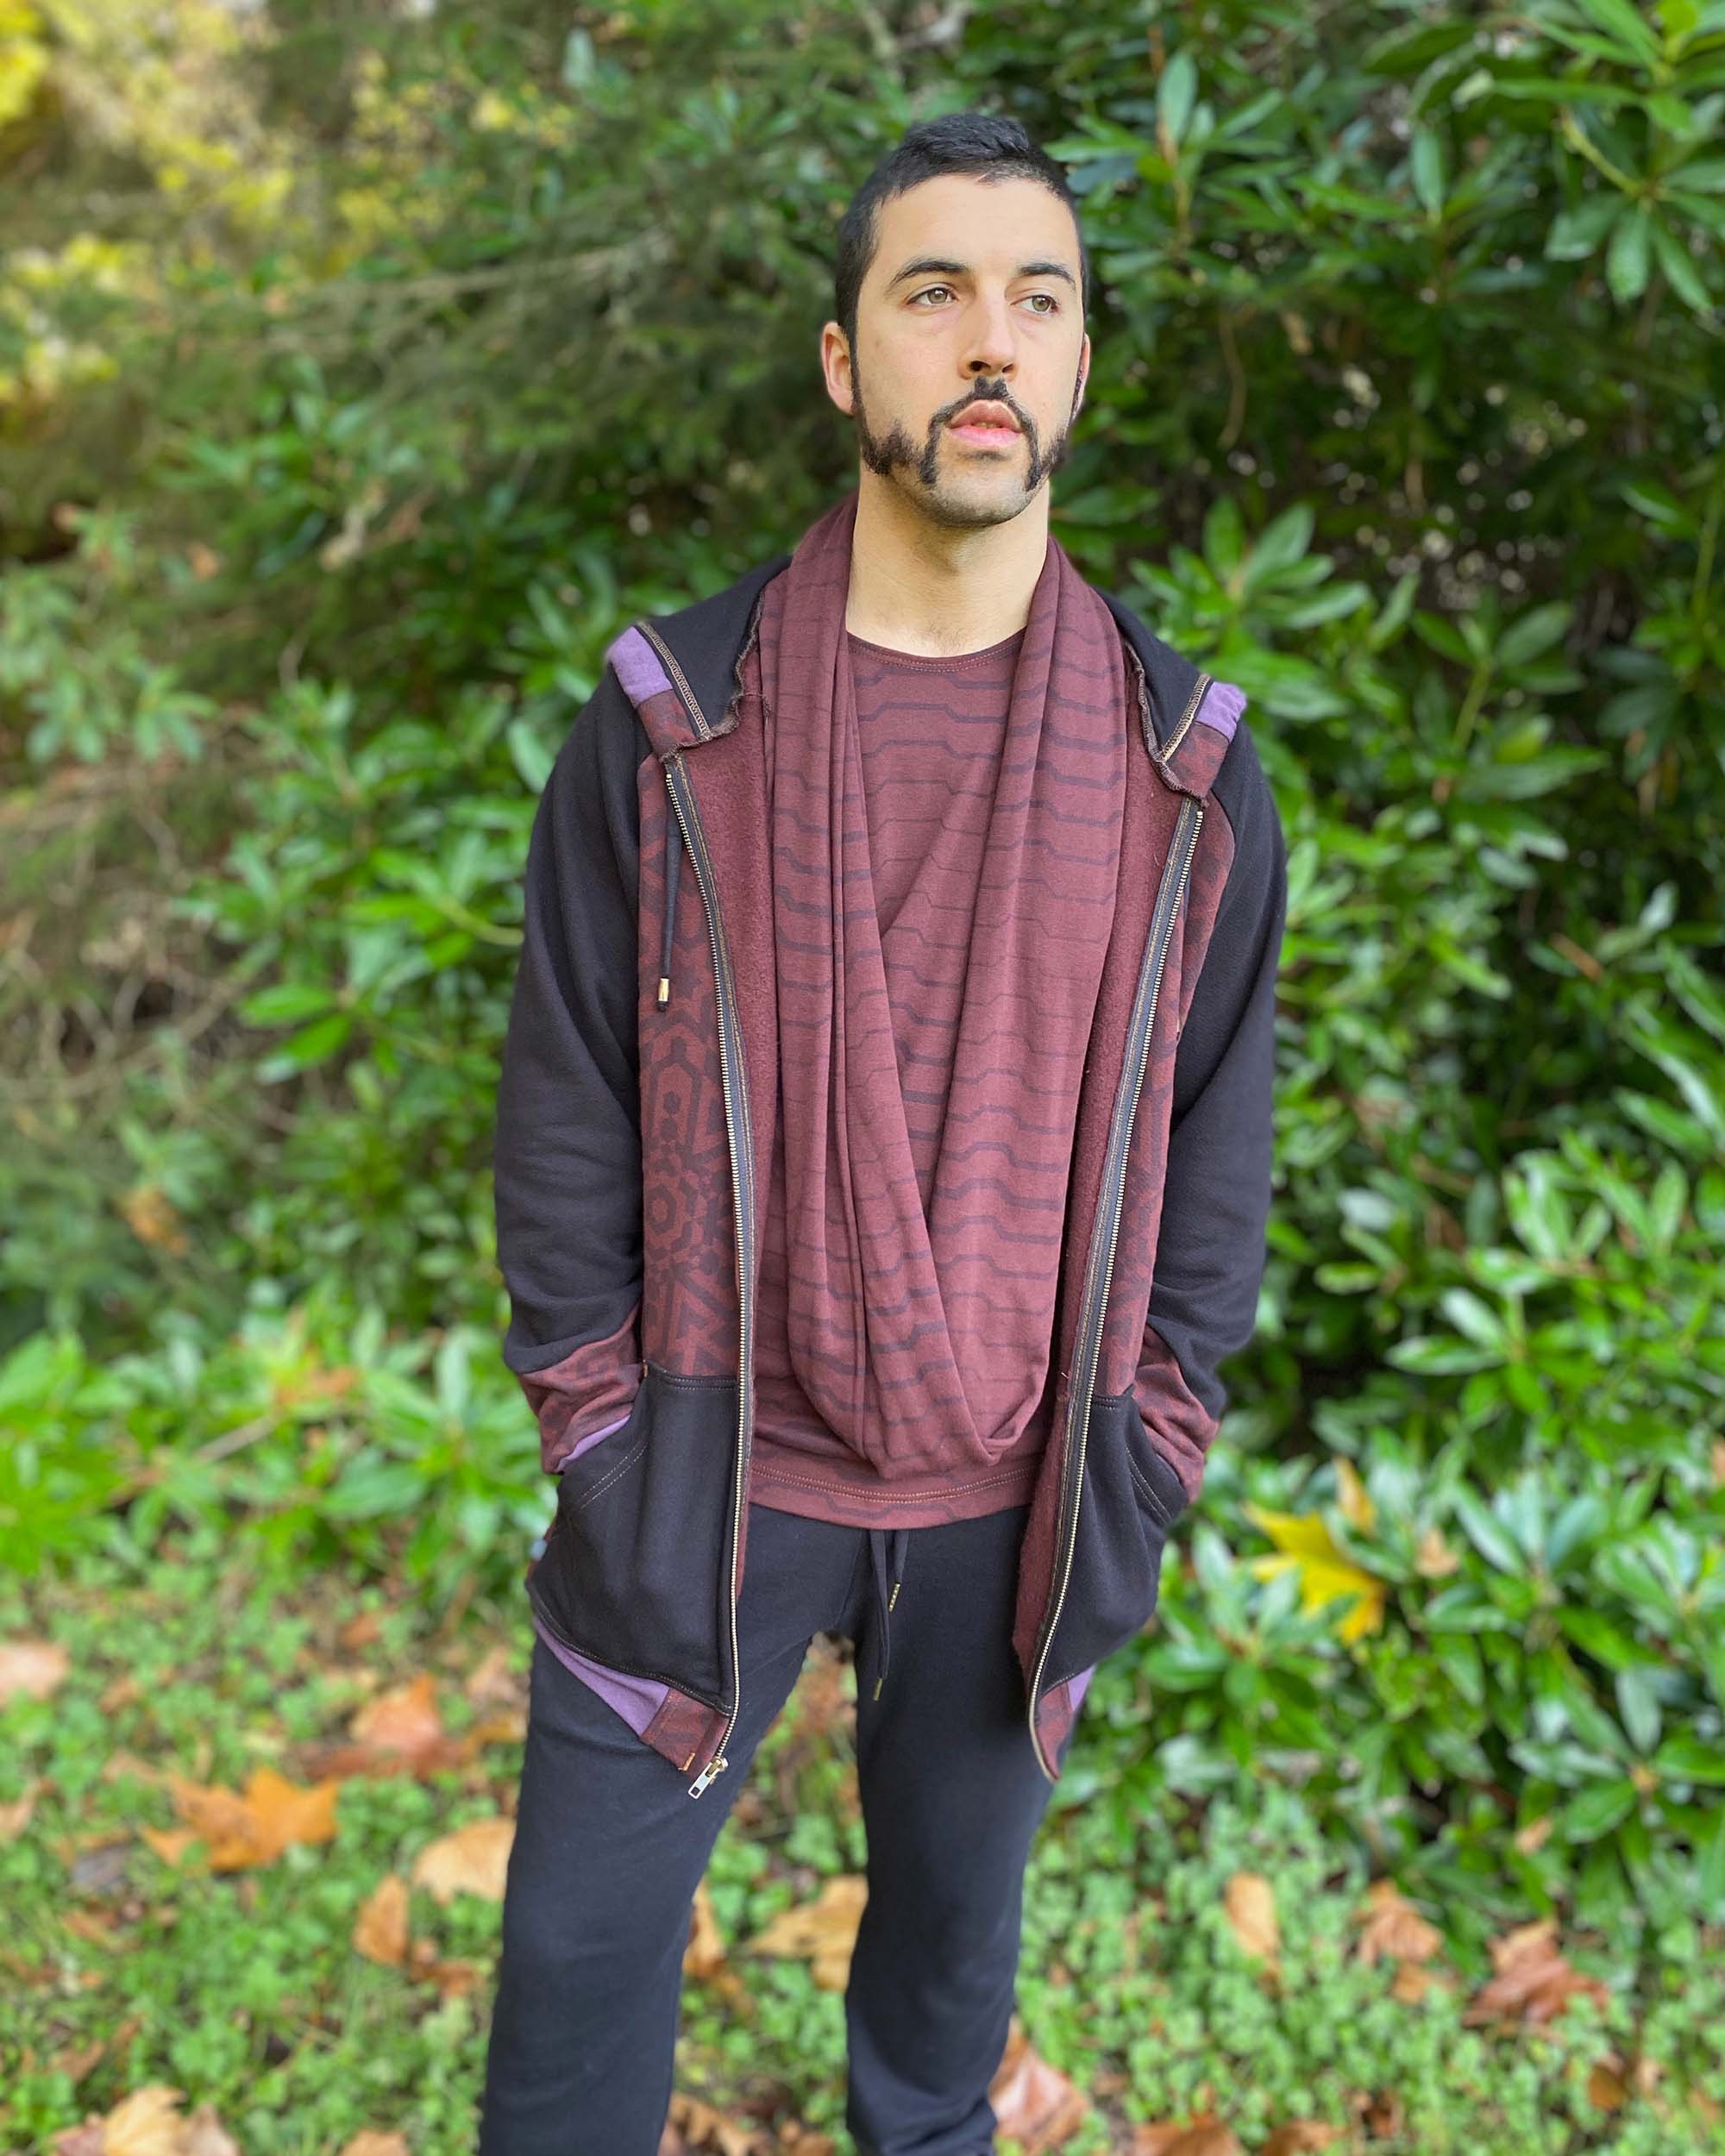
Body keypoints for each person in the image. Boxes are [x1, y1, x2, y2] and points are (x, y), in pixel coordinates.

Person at [479, 109, 1287, 2156]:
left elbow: (1214, 1150)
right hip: (703, 1472)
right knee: (570, 2011)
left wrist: (1150, 1441)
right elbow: (565, 1091)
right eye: (934, 294)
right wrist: (595, 1423)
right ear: (849, 359)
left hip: (1019, 1499)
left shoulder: (1183, 772)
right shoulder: (677, 721)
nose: (988, 343)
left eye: (1038, 299)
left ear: (1084, 361)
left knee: (940, 2014)